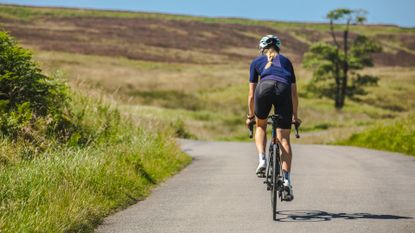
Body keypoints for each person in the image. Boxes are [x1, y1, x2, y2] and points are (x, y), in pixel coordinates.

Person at [245, 34, 301, 201]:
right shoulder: (287, 62)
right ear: (278, 48)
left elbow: (251, 95)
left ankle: (262, 160)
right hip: (283, 90)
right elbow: (294, 94)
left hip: (263, 89)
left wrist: (250, 116)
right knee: (284, 138)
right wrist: (295, 117)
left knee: (261, 125)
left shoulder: (256, 62)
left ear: (262, 49)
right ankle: (286, 181)